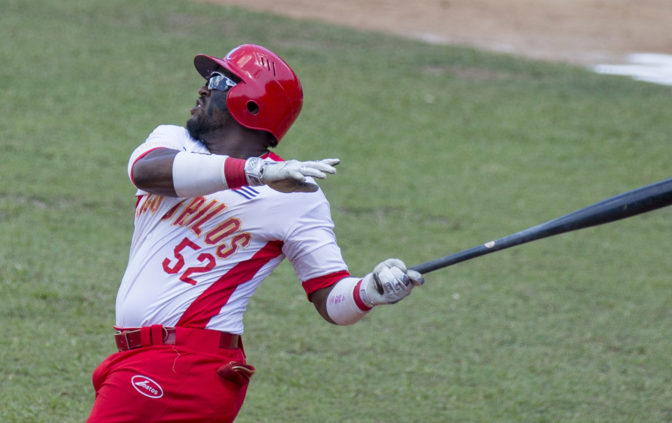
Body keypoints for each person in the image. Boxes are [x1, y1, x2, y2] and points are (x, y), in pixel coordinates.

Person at [87, 44, 424, 422]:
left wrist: (370, 291)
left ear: (251, 103)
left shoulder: (299, 196)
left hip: (185, 363)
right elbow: (146, 173)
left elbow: (330, 299)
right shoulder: (173, 142)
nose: (201, 90)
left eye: (217, 81)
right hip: (141, 359)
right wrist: (257, 173)